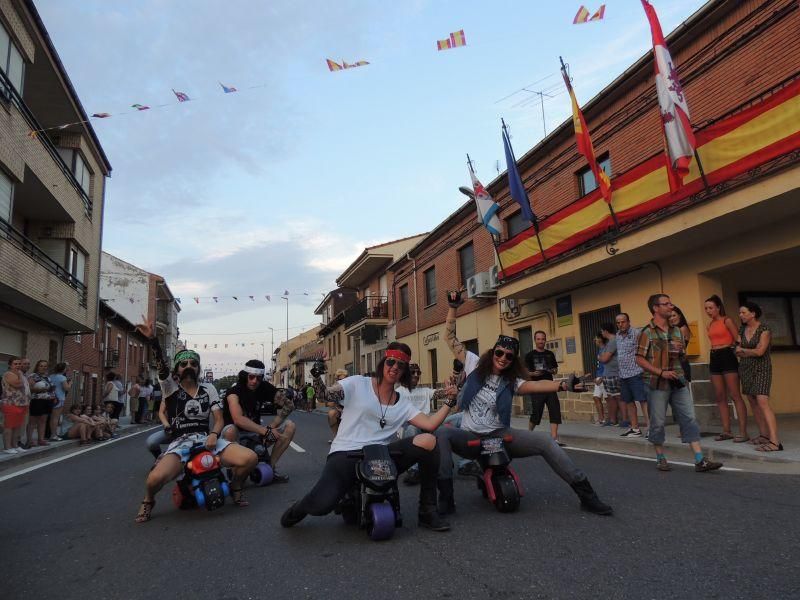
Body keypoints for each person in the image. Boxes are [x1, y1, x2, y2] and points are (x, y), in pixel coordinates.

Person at [439, 290, 611, 516]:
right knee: (441, 434)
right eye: (499, 352)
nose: (502, 358)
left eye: (508, 356)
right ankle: (445, 498)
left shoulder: (513, 381)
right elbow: (450, 339)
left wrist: (564, 385)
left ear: (513, 361)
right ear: (493, 352)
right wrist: (453, 308)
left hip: (499, 434)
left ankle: (587, 495)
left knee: (546, 441)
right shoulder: (472, 363)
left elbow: (538, 386)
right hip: (470, 436)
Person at [280, 342, 458, 532]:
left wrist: (449, 402)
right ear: (383, 363)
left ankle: (427, 510)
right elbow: (325, 395)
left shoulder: (402, 402)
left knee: (429, 441)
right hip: (347, 454)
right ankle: (298, 508)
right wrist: (316, 373)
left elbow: (430, 425)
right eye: (391, 362)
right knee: (322, 505)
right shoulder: (357, 383)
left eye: (401, 365)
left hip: (381, 456)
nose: (395, 367)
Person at [133, 320, 257, 523]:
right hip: (181, 442)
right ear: (177, 369)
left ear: (199, 367)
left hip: (206, 438)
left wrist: (214, 434)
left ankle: (236, 485)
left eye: (193, 363)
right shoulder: (170, 388)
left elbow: (218, 419)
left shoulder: (209, 388)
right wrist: (153, 340)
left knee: (250, 458)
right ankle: (148, 500)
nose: (189, 366)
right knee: (154, 479)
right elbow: (162, 367)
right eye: (184, 364)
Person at [636, 293, 723, 472]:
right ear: (656, 308)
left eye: (670, 303)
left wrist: (680, 352)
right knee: (658, 422)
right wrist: (661, 372)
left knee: (689, 418)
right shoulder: (647, 332)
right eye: (666, 304)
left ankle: (700, 459)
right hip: (656, 384)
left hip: (679, 381)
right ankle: (660, 457)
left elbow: (681, 355)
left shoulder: (676, 330)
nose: (671, 306)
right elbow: (639, 359)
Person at [221, 359, 296, 482]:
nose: (254, 381)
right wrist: (265, 431)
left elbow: (289, 405)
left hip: (256, 435)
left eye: (259, 378)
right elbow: (238, 419)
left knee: (290, 426)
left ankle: (271, 469)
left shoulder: (264, 387)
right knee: (230, 430)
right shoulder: (234, 392)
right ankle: (234, 468)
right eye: (251, 377)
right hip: (236, 437)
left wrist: (272, 426)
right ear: (245, 376)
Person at [398, 363, 455, 485]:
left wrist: (449, 389)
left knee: (458, 419)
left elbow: (439, 393)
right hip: (411, 425)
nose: (416, 375)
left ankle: (461, 464)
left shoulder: (424, 391)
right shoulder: (398, 392)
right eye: (413, 372)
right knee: (413, 429)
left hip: (429, 422)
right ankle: (414, 470)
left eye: (418, 373)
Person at [736, 302, 782, 452]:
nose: (740, 315)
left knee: (762, 401)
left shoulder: (764, 329)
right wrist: (747, 350)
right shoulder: (742, 329)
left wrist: (744, 350)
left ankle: (775, 442)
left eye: (743, 312)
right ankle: (763, 435)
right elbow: (737, 349)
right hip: (745, 368)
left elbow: (761, 351)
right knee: (752, 400)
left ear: (753, 313)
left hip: (762, 368)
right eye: (740, 313)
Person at [704, 295, 749, 442]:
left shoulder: (726, 320)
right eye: (706, 308)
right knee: (719, 395)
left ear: (718, 307)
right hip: (714, 356)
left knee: (735, 394)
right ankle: (726, 431)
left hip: (727, 355)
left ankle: (743, 432)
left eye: (711, 308)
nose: (708, 311)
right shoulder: (709, 324)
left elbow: (738, 339)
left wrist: (735, 351)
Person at [523, 331, 563, 445]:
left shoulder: (550, 354)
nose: (541, 341)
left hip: (550, 386)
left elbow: (555, 370)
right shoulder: (529, 355)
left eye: (543, 339)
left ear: (545, 340)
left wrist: (552, 370)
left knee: (555, 410)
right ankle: (529, 434)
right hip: (536, 387)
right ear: (535, 340)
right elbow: (525, 372)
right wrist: (533, 374)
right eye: (539, 339)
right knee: (536, 413)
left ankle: (554, 437)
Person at [615, 313, 647, 438]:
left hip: (636, 372)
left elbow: (644, 351)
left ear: (628, 321)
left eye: (623, 322)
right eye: (618, 323)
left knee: (643, 400)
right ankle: (635, 429)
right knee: (628, 401)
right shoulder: (617, 336)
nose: (620, 324)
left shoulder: (637, 333)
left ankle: (651, 428)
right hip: (623, 375)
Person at [1, 357, 29, 454]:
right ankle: (7, 447)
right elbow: (18, 384)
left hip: (21, 403)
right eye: (15, 364)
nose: (18, 366)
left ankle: (15, 445)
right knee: (9, 426)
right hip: (11, 403)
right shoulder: (9, 374)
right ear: (10, 365)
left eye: (19, 364)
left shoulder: (20, 374)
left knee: (17, 426)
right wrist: (21, 375)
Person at [599, 323, 623, 430]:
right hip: (608, 373)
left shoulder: (613, 341)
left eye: (602, 331)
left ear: (605, 331)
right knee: (610, 397)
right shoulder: (609, 343)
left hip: (614, 373)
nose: (601, 333)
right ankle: (613, 420)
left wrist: (600, 357)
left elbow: (604, 358)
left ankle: (624, 420)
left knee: (618, 397)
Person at [27, 360, 55, 447]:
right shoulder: (33, 376)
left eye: (45, 366)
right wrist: (41, 390)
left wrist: (53, 395)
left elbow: (51, 388)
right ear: (37, 366)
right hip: (37, 400)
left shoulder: (47, 377)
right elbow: (30, 389)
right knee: (33, 421)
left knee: (43, 421)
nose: (43, 368)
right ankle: (30, 440)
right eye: (41, 366)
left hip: (47, 401)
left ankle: (41, 439)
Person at [48, 363, 71, 441]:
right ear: (63, 369)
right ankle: (54, 435)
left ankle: (52, 434)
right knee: (56, 418)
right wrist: (70, 383)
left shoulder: (51, 376)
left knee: (51, 417)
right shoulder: (62, 378)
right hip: (60, 398)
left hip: (52, 398)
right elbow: (66, 388)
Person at [669, 306, 693, 382]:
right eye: (670, 316)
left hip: (681, 364)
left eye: (674, 315)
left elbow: (677, 349)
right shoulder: (673, 329)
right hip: (677, 364)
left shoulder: (682, 329)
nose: (672, 318)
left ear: (679, 316)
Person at [327, 368, 349, 443]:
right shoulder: (335, 387)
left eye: (345, 379)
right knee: (331, 414)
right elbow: (330, 403)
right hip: (340, 409)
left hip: (352, 409)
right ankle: (337, 437)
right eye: (340, 379)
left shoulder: (352, 386)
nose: (342, 381)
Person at [592, 334, 608, 425]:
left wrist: (602, 378)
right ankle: (601, 419)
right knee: (596, 397)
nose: (595, 340)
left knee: (607, 398)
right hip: (598, 376)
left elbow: (607, 365)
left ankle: (610, 420)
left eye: (596, 338)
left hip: (604, 377)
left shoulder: (606, 349)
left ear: (601, 339)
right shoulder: (599, 350)